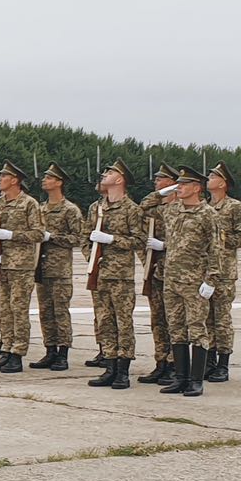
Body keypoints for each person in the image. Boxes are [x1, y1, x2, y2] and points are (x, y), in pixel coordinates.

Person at [159, 166, 220, 398]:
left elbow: (216, 249)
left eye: (184, 184)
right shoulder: (173, 210)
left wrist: (211, 279)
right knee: (175, 329)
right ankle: (180, 378)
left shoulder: (208, 214)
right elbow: (148, 202)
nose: (179, 188)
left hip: (194, 281)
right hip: (171, 279)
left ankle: (196, 380)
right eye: (179, 184)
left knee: (197, 329)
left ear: (197, 188)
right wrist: (173, 188)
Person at [84, 159, 145, 389]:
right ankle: (109, 366)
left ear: (119, 179)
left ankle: (123, 371)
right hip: (99, 273)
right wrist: (91, 256)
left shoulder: (132, 209)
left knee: (123, 323)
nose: (104, 175)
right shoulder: (95, 208)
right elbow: (84, 236)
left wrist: (112, 240)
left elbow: (139, 240)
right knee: (104, 321)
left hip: (120, 276)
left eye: (110, 172)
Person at [0, 162, 44, 374]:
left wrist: (11, 236)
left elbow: (38, 234)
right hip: (0, 264)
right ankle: (6, 349)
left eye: (4, 176)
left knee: (18, 310)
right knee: (4, 310)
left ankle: (18, 354)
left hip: (20, 266)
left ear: (15, 180)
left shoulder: (29, 204)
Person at [31, 163, 83, 372]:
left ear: (59, 182)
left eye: (49, 178)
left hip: (60, 269)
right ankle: (50, 349)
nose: (45, 180)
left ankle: (63, 353)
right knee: (45, 312)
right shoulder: (40, 209)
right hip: (41, 267)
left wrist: (53, 238)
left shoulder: (70, 210)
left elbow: (77, 238)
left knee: (60, 311)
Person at [205, 162, 241, 382]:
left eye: (212, 176)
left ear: (222, 183)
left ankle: (223, 364)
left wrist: (220, 238)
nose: (208, 179)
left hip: (224, 272)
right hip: (206, 272)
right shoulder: (205, 206)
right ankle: (209, 362)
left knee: (221, 319)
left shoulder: (234, 207)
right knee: (206, 318)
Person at [137, 164, 180, 383]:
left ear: (173, 182)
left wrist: (164, 245)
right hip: (155, 272)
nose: (156, 181)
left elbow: (190, 243)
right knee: (158, 319)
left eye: (161, 179)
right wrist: (159, 194)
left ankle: (175, 364)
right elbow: (141, 208)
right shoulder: (158, 208)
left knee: (174, 320)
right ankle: (161, 362)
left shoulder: (182, 208)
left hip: (175, 273)